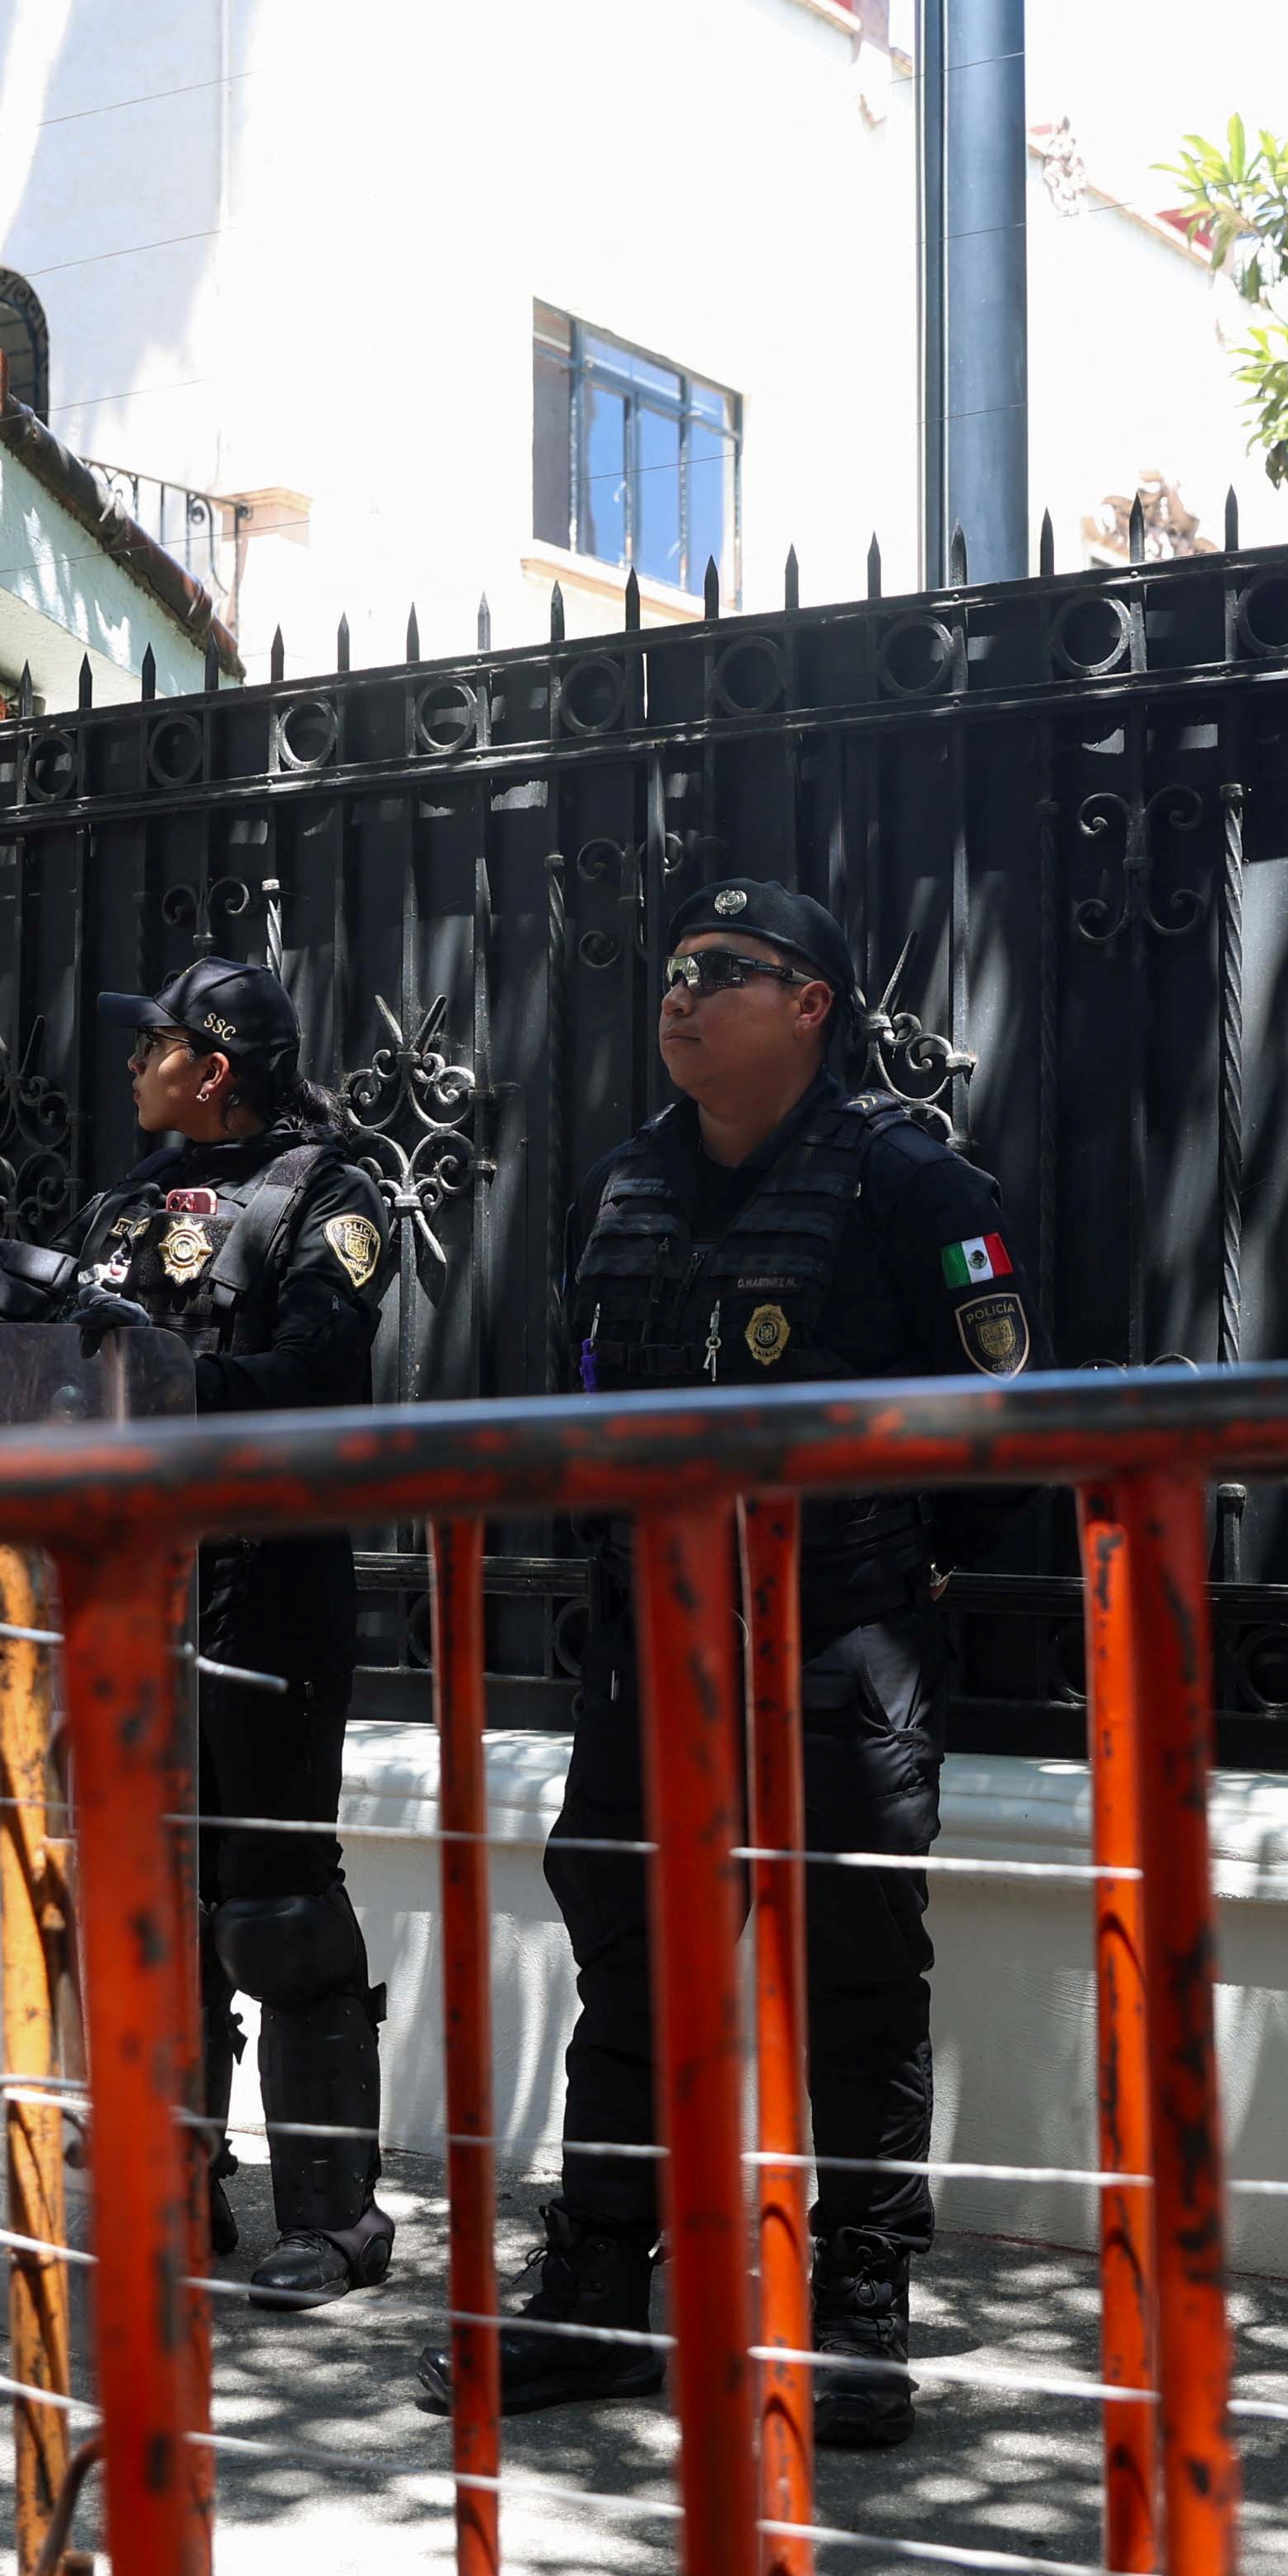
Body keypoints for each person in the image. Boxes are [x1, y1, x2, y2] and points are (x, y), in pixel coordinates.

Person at [416, 880, 1038, 2451]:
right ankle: (599, 2292)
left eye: (724, 972)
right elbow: (582, 1391)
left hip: (838, 1644)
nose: (681, 995)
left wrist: (896, 1553)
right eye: (674, 970)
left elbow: (1004, 1422)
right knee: (633, 1972)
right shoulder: (626, 1179)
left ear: (813, 1002)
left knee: (858, 1982)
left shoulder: (910, 1180)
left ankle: (857, 2306)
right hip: (652, 1653)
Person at [54, 954, 403, 2309]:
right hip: (134, 1582)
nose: (131, 1061)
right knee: (152, 1893)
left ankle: (333, 2212)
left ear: (212, 1064)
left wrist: (179, 1380)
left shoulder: (333, 1186)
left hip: (264, 1576)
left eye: (150, 1039)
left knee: (273, 1896)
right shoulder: (119, 1203)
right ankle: (174, 2177)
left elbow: (320, 1365)